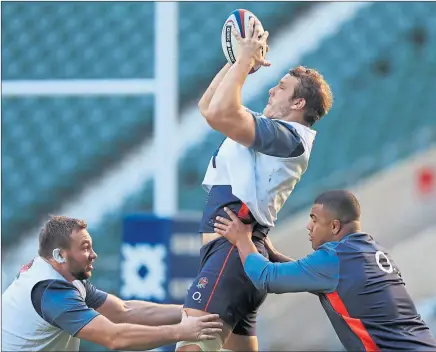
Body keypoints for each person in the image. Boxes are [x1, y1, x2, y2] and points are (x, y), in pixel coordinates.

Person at [177, 17, 333, 352]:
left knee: (191, 345)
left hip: (230, 255)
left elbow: (219, 112)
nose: (272, 89)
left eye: (281, 87)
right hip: (235, 254)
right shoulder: (275, 131)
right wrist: (237, 63)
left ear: (298, 104)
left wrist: (245, 60)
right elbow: (209, 106)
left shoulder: (288, 137)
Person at [214, 190, 436, 351]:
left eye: (314, 219)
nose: (309, 226)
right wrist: (272, 253)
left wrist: (242, 239)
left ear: (334, 226)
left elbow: (265, 278)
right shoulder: (371, 250)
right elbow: (321, 280)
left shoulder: (334, 256)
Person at [1, 216, 223, 351]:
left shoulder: (61, 276)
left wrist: (189, 311)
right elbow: (115, 337)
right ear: (60, 255)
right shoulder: (52, 291)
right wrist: (182, 331)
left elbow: (123, 311)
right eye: (85, 247)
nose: (93, 254)